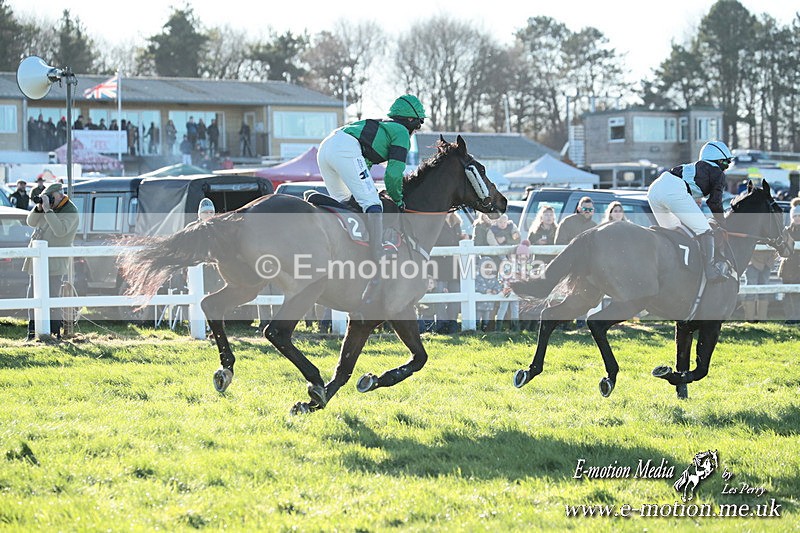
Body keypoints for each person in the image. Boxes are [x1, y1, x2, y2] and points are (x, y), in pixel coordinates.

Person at [317, 94, 426, 309]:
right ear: (411, 120)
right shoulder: (402, 132)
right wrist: (398, 198)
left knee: (348, 202)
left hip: (326, 147)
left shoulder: (381, 128)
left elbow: (363, 166)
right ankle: (377, 261)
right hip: (344, 147)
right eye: (419, 124)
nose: (417, 130)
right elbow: (393, 174)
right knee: (372, 204)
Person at [647, 140, 732, 282]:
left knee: (673, 235)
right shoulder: (717, 173)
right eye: (725, 163)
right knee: (705, 231)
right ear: (717, 161)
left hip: (654, 189)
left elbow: (692, 193)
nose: (727, 167)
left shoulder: (695, 167)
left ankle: (667, 270)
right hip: (673, 190)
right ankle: (710, 271)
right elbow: (714, 203)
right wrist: (722, 222)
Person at [23, 182, 79, 340]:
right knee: (34, 299)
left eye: (50, 197)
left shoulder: (70, 210)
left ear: (59, 194)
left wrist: (48, 210)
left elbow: (60, 231)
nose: (48, 200)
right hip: (36, 261)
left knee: (52, 299)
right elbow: (30, 222)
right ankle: (32, 333)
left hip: (54, 263)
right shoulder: (47, 208)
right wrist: (39, 208)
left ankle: (54, 333)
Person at [779, 200, 800, 324]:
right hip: (788, 266)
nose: (797, 218)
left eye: (799, 216)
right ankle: (790, 316)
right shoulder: (786, 231)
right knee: (788, 293)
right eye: (795, 216)